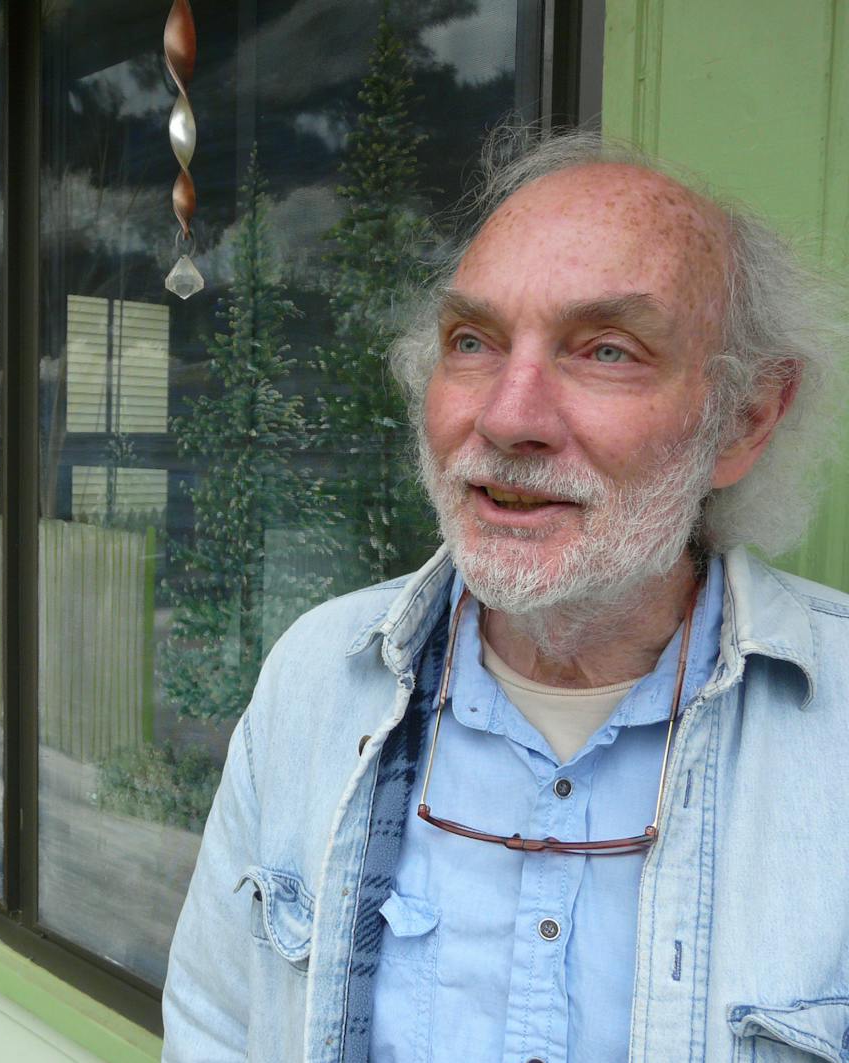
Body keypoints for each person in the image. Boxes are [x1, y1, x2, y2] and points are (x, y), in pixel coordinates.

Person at [161, 128, 849, 1063]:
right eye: (472, 341)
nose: (508, 415)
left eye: (605, 350)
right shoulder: (314, 678)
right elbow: (213, 1025)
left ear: (746, 417)